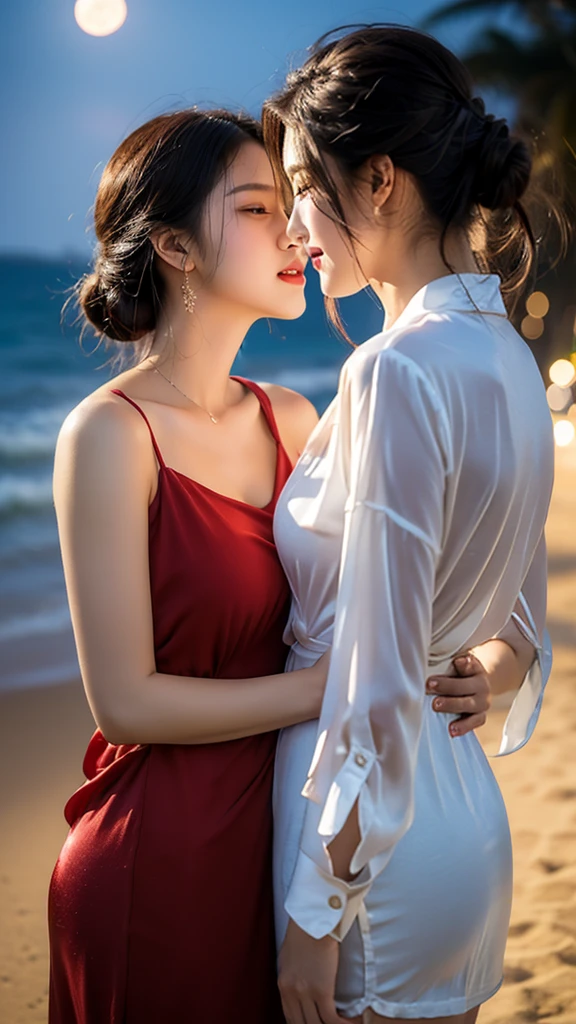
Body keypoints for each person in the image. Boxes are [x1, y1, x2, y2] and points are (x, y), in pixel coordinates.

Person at [50, 104, 538, 1024]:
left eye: (293, 200)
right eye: (255, 209)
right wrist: (349, 686)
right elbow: (124, 702)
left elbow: (419, 583)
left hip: (286, 836)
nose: (295, 228)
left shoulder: (295, 420)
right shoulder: (110, 435)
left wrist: (483, 662)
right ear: (176, 248)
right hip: (166, 850)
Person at [262, 25, 554, 1024]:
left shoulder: (395, 368)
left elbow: (377, 685)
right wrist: (498, 662)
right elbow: (520, 612)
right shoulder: (506, 356)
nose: (296, 222)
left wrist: (315, 910)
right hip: (461, 823)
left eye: (305, 182)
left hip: (367, 866)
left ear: (379, 179)